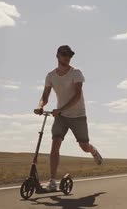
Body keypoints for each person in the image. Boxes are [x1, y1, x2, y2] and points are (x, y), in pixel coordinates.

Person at [34, 45, 102, 191]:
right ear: (57, 56)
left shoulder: (76, 73)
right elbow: (45, 96)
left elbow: (77, 95)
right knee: (55, 144)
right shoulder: (50, 75)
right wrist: (40, 106)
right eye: (64, 54)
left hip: (78, 115)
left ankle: (93, 151)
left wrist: (60, 109)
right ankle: (52, 182)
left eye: (69, 55)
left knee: (84, 147)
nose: (67, 57)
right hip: (61, 117)